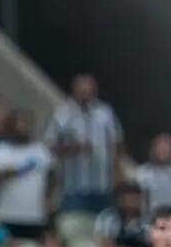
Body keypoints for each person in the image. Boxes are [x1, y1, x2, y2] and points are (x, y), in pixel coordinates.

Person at [45, 73, 125, 214]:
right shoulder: (62, 114)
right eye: (82, 89)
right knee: (74, 224)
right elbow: (50, 145)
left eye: (88, 89)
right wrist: (72, 148)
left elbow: (116, 143)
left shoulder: (105, 112)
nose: (85, 93)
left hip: (103, 185)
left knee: (104, 224)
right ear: (74, 90)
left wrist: (118, 173)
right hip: (73, 187)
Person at [0, 109, 56, 240]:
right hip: (7, 215)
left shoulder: (41, 150)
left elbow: (51, 176)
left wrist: (49, 199)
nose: (24, 127)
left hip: (35, 216)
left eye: (27, 123)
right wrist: (20, 169)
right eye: (20, 123)